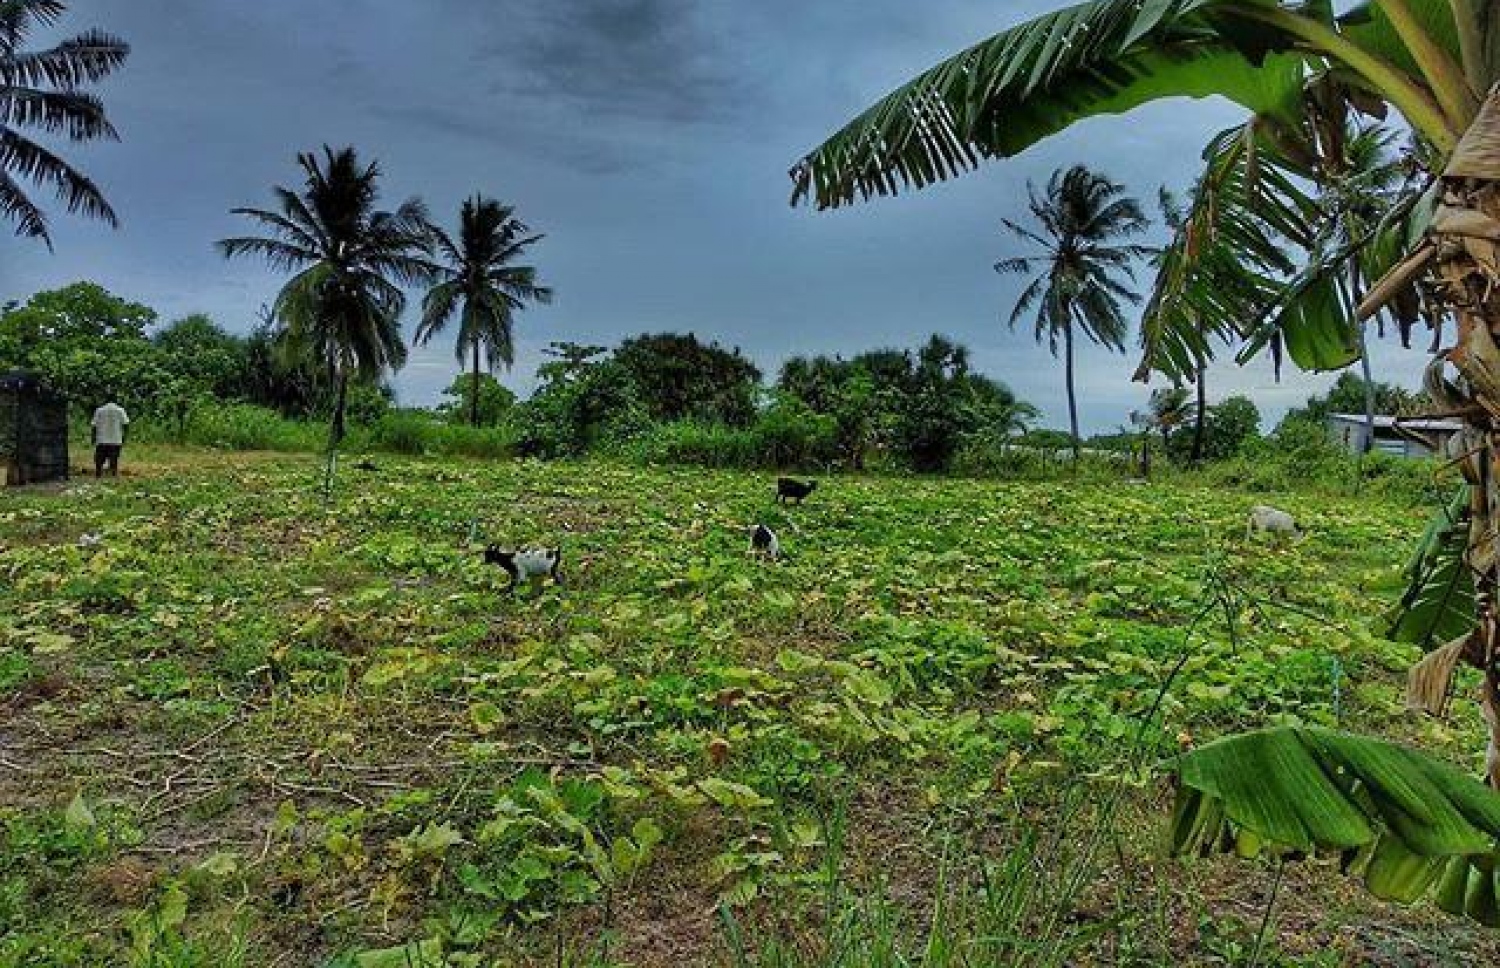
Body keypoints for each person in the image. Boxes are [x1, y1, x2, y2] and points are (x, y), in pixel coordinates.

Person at [90, 400, 129, 478]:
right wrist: (124, 436)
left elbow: (94, 425)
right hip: (116, 439)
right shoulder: (120, 410)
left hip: (102, 439)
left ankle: (98, 475)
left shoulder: (100, 410)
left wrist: (93, 438)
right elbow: (126, 424)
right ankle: (113, 475)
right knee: (114, 459)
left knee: (99, 460)